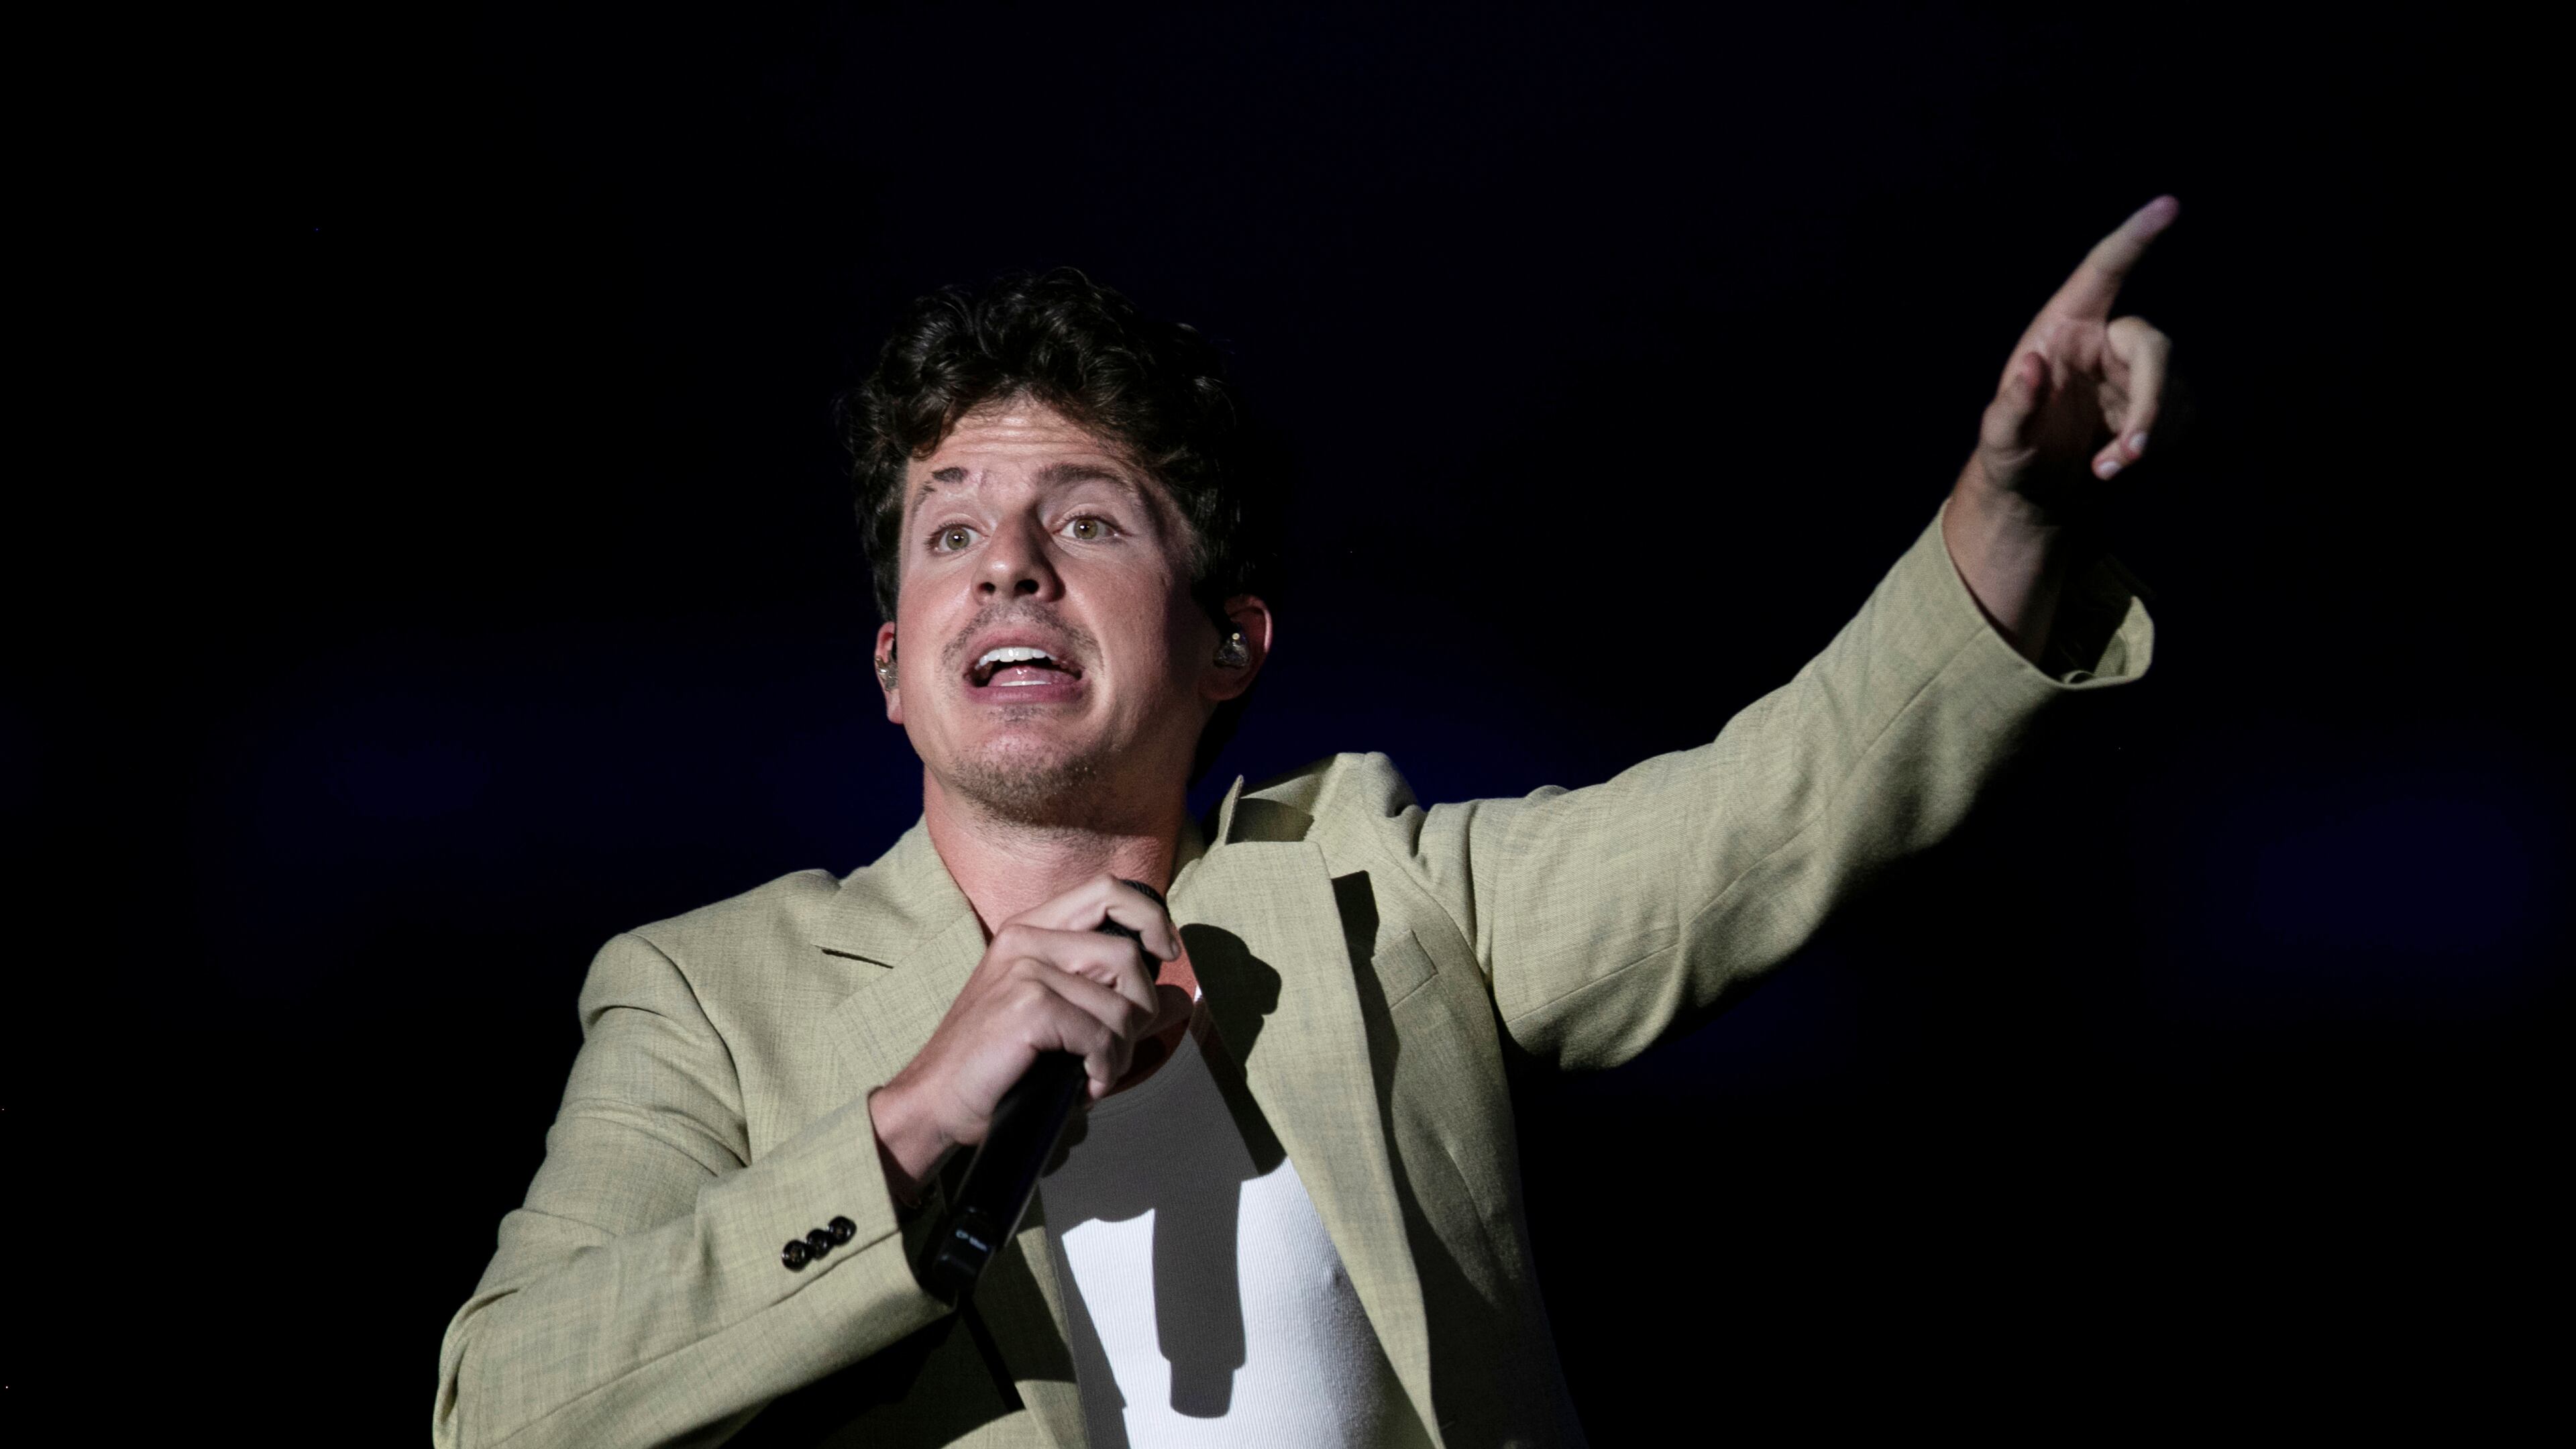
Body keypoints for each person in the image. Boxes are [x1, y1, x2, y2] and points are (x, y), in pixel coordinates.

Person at [434, 197, 2176, 1448]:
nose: (1009, 560)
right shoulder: (708, 995)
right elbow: (504, 1413)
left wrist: (2006, 520)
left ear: (1233, 642)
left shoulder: (1380, 886)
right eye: (950, 530)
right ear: (895, 667)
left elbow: (1771, 815)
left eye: (1089, 521)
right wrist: (908, 1122)